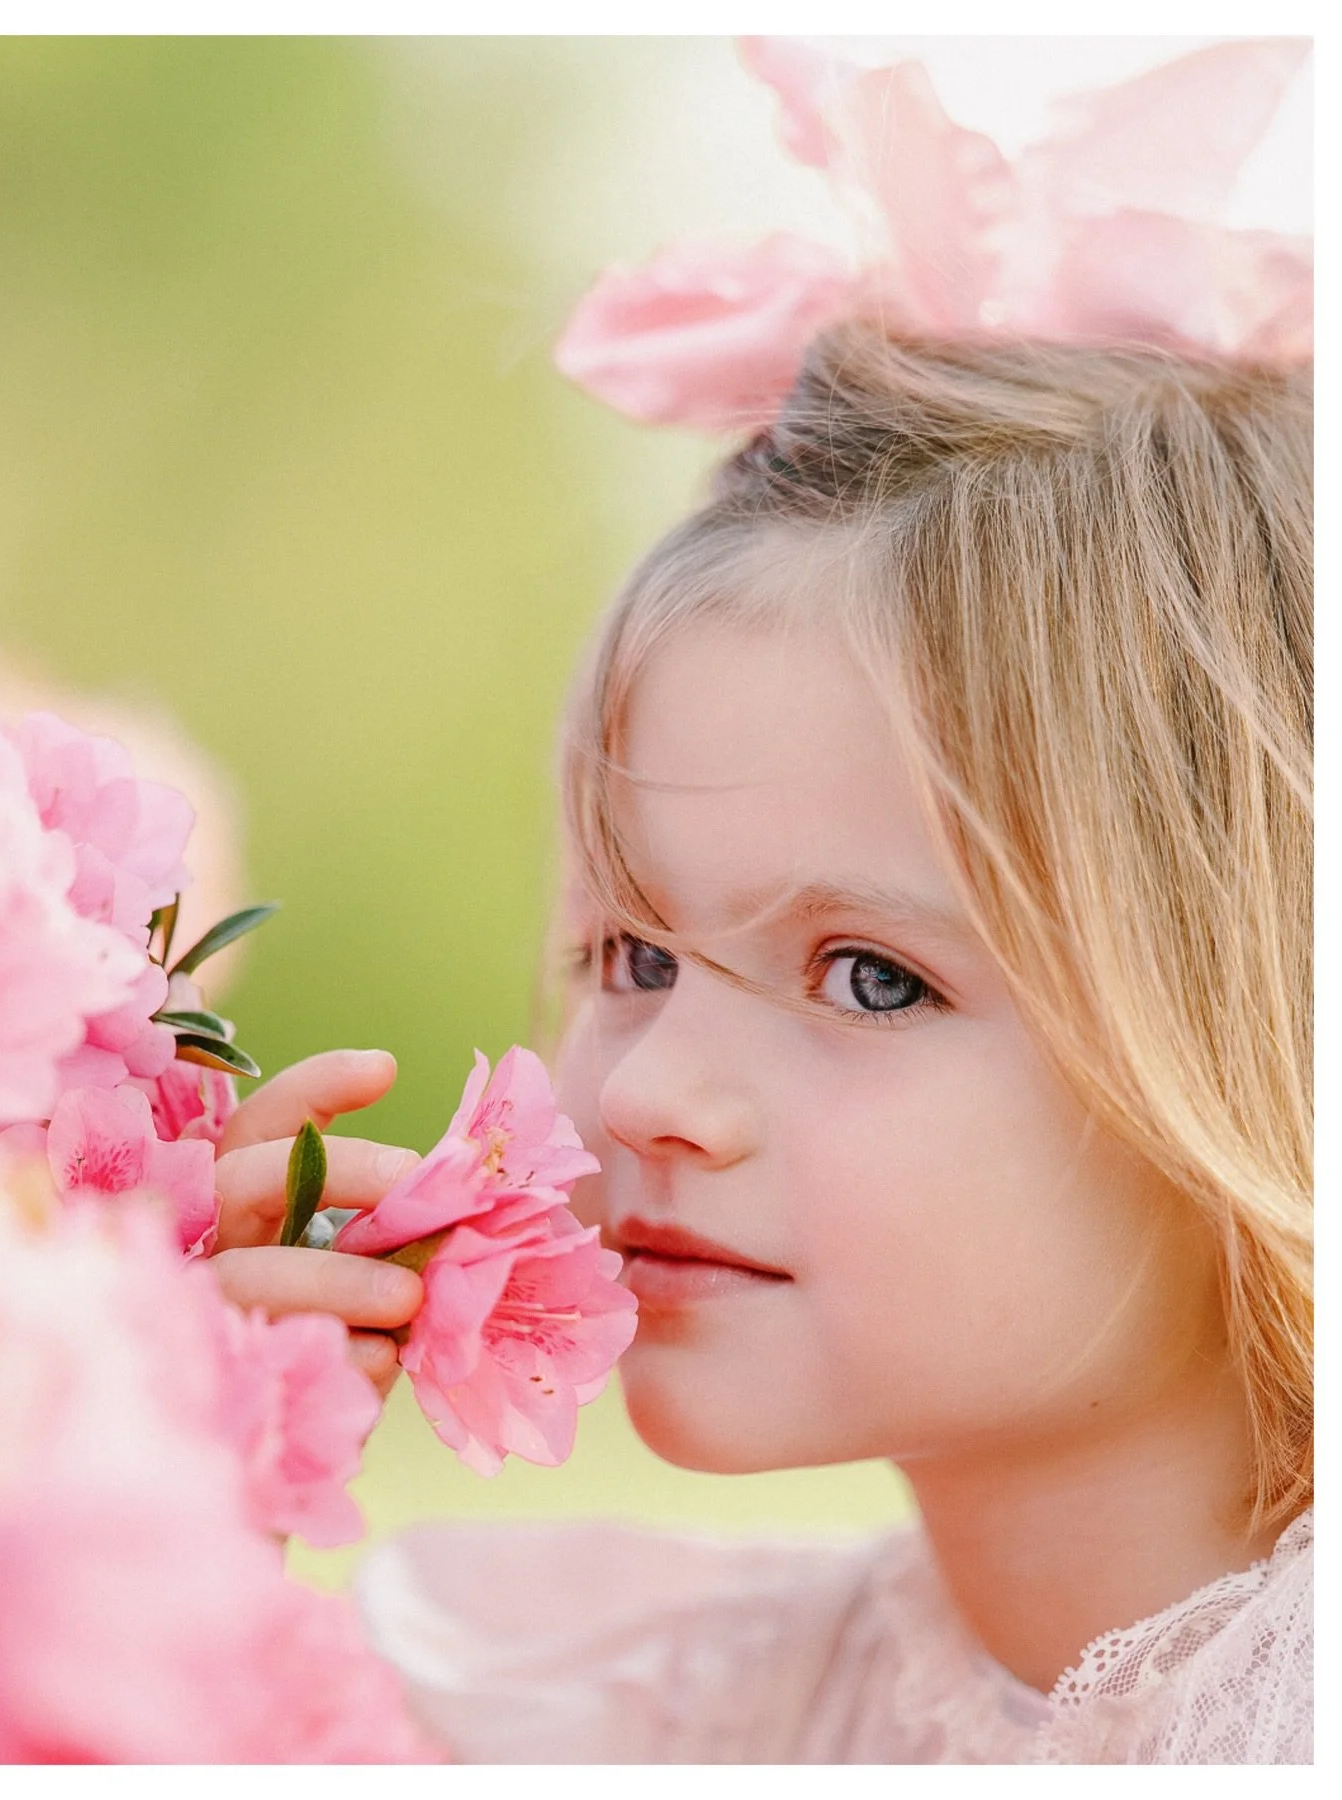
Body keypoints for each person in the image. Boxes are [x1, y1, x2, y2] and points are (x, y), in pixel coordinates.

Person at [204, 43, 1313, 1764]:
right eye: (634, 954)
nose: (645, 1089)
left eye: (869, 979)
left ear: (1263, 1028)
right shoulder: (690, 1716)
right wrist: (162, 1542)